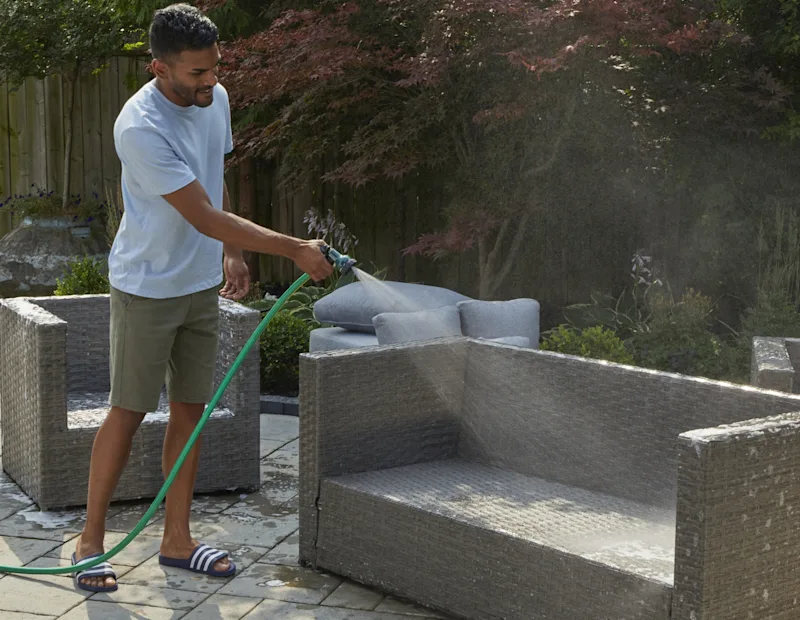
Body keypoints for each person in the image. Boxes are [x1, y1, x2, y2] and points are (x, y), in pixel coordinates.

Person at [70, 3, 334, 592]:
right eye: (196, 73)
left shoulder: (215, 98)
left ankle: (177, 539)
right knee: (130, 410)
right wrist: (291, 247)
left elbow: (213, 177)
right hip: (147, 286)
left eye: (215, 67)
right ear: (159, 68)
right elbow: (201, 212)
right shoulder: (140, 126)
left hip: (197, 286)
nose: (211, 81)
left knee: (191, 410)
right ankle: (90, 540)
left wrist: (232, 254)